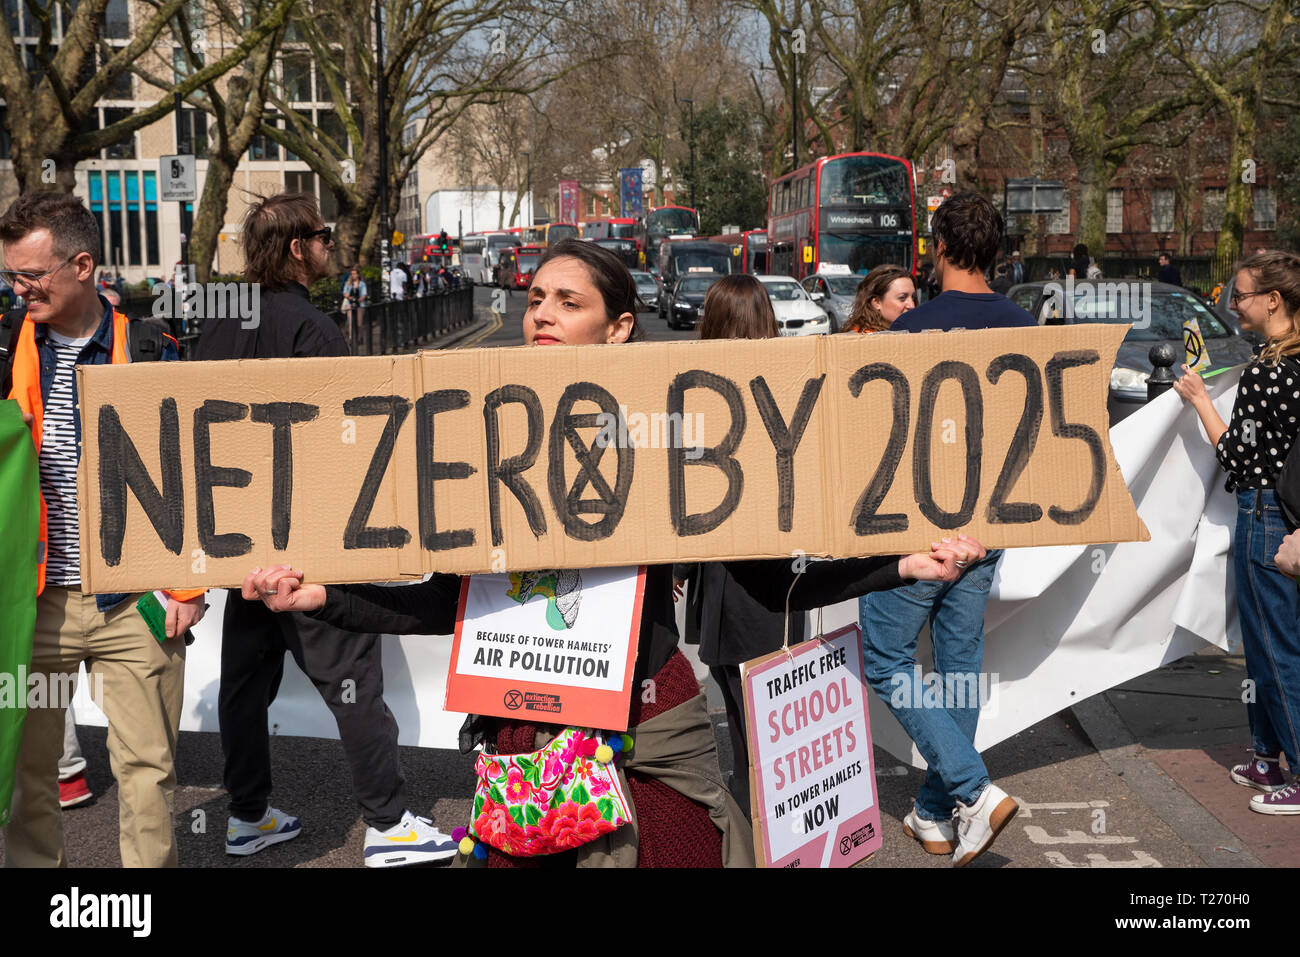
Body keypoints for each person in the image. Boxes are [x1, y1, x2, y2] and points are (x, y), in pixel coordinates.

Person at [242, 239, 988, 867]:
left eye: (570, 302)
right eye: (537, 298)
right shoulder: (479, 442)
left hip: (651, 741)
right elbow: (447, 602)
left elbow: (764, 576)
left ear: (619, 327)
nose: (542, 313)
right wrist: (322, 596)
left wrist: (900, 565)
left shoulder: (666, 440)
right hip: (526, 754)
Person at [194, 192, 456, 866]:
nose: (331, 244)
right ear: (295, 249)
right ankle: (391, 823)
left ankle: (246, 814)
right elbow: (349, 438)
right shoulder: (314, 328)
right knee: (354, 684)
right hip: (309, 544)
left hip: (239, 542)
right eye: (323, 235)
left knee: (245, 686)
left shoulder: (221, 323)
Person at [1, 191, 207, 867]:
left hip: (136, 602)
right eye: (10, 274)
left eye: (30, 275)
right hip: (34, 609)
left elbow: (199, 474)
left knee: (148, 780)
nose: (17, 287)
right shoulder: (4, 350)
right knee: (31, 784)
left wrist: (188, 588)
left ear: (82, 265)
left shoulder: (157, 347)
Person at [875, 192, 1033, 867]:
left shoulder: (909, 331)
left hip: (916, 530)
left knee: (885, 657)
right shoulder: (1026, 327)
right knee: (960, 670)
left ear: (938, 248)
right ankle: (936, 813)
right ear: (995, 253)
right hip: (987, 527)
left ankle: (971, 789)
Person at [1172, 250, 1300, 814]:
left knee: (1273, 647)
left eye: (1242, 296)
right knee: (1270, 642)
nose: (1233, 305)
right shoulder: (1285, 363)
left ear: (1273, 299)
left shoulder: (1271, 372)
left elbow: (1238, 456)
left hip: (1265, 512)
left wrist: (1201, 401)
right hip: (1282, 513)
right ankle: (1267, 753)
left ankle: (1291, 765)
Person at [672, 275, 797, 810]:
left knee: (740, 690)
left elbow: (682, 485)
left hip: (725, 568)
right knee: (759, 694)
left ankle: (757, 800)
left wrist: (675, 565)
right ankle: (761, 793)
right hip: (771, 567)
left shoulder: (699, 388)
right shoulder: (786, 380)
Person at [844, 264, 915, 333]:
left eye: (913, 297)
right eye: (902, 298)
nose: (912, 306)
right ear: (877, 302)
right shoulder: (862, 339)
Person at [341, 264, 367, 345]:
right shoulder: (348, 284)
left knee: (359, 323)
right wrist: (350, 298)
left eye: (355, 274)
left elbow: (364, 294)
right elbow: (344, 293)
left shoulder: (362, 284)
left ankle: (360, 337)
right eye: (352, 274)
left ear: (358, 274)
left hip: (359, 305)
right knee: (351, 322)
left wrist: (358, 300)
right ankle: (351, 339)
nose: (353, 275)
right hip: (350, 305)